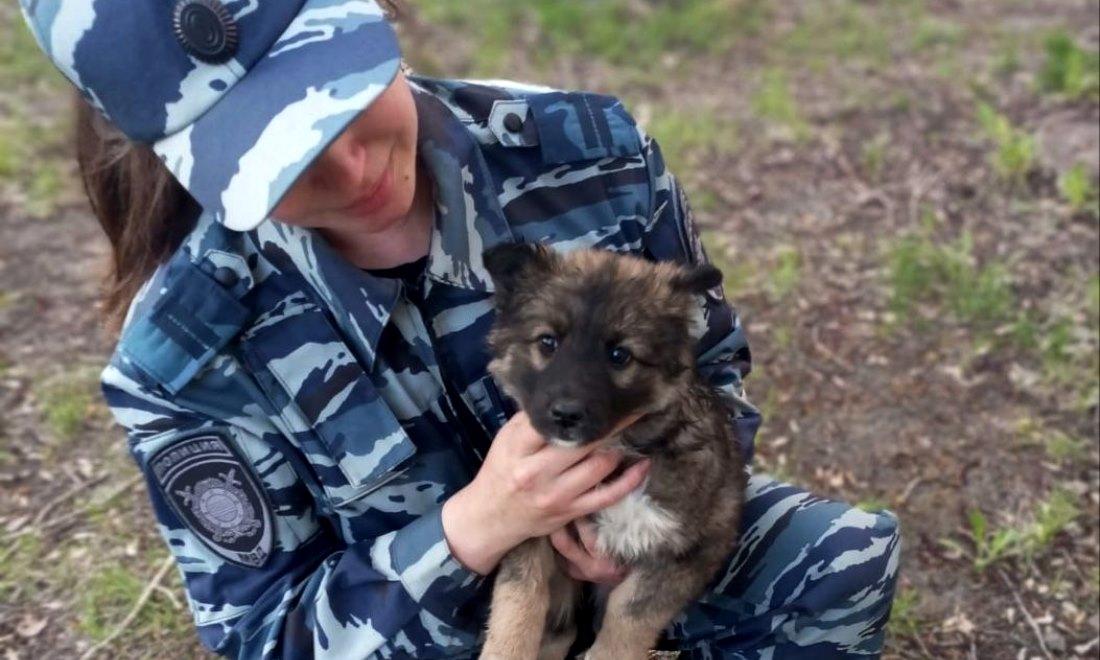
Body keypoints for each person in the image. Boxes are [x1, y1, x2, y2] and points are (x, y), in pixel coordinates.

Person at [20, 1, 900, 657]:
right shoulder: (182, 356)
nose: (353, 165)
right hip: (422, 634)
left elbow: (717, 371)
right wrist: (475, 528)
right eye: (276, 158)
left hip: (649, 553)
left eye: (339, 95)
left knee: (838, 558)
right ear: (190, 168)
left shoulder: (589, 150)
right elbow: (265, 634)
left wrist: (644, 517)